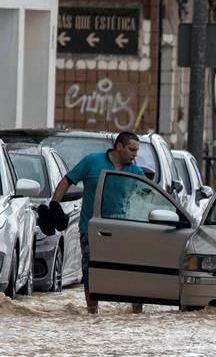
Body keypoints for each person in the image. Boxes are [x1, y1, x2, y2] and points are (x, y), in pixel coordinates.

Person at [51, 131, 145, 314]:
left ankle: (136, 313)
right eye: (132, 149)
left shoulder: (135, 171)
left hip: (124, 230)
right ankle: (92, 312)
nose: (135, 154)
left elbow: (147, 197)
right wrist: (54, 205)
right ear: (119, 147)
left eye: (136, 150)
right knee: (91, 271)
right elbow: (66, 181)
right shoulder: (92, 161)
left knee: (132, 271)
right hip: (91, 229)